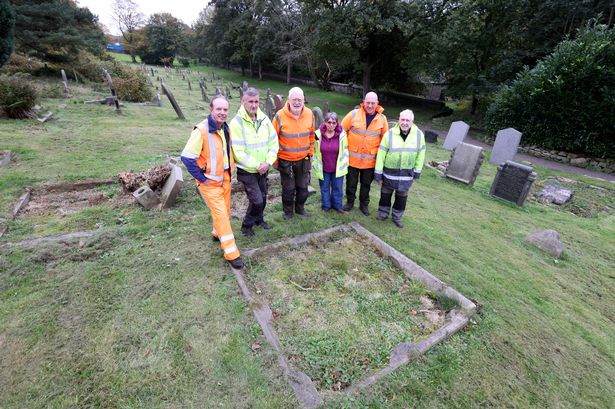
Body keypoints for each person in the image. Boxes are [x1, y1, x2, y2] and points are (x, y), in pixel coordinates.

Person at [180, 95, 244, 269]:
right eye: (219, 109)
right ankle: (232, 253)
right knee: (222, 216)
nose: (222, 113)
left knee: (226, 212)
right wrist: (202, 179)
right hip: (210, 185)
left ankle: (217, 233)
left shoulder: (225, 128)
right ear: (211, 109)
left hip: (225, 181)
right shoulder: (201, 130)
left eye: (225, 109)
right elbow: (186, 157)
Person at [229, 87, 279, 237]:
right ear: (243, 101)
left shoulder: (264, 119)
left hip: (264, 168)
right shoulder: (236, 123)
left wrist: (268, 162)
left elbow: (273, 143)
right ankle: (246, 225)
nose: (254, 105)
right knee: (256, 200)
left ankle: (259, 220)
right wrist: (258, 165)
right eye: (250, 101)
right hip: (247, 171)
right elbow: (238, 152)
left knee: (263, 197)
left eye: (256, 101)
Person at [374, 109, 426, 228]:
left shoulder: (419, 135)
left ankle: (397, 216)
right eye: (402, 119)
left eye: (408, 120)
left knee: (402, 196)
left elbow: (421, 154)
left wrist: (417, 171)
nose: (405, 122)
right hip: (389, 172)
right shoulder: (390, 133)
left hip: (406, 173)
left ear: (412, 121)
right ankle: (383, 213)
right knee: (385, 194)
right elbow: (381, 154)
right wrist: (378, 173)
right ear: (399, 120)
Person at [341, 92, 389, 216]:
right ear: (364, 102)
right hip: (352, 159)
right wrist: (344, 149)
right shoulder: (353, 114)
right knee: (351, 183)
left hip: (370, 161)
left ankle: (364, 205)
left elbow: (385, 141)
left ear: (377, 103)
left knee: (366, 185)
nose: (370, 105)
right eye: (368, 102)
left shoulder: (382, 119)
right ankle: (350, 202)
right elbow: (341, 131)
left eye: (373, 103)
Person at [272, 87, 315, 220]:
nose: (297, 102)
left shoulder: (309, 114)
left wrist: (311, 153)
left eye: (300, 100)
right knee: (288, 189)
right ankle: (288, 212)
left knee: (303, 187)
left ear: (303, 100)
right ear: (289, 100)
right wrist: (275, 160)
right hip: (286, 160)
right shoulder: (279, 116)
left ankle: (300, 209)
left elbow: (311, 136)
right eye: (294, 100)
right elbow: (273, 140)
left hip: (304, 159)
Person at [312, 112, 348, 213]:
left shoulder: (342, 135)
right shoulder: (317, 134)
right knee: (324, 188)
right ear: (325, 122)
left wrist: (345, 163)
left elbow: (345, 150)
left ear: (337, 124)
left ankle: (337, 206)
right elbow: (313, 149)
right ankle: (326, 206)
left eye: (334, 123)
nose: (331, 125)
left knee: (338, 188)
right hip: (323, 167)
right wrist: (314, 162)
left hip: (338, 167)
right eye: (329, 122)